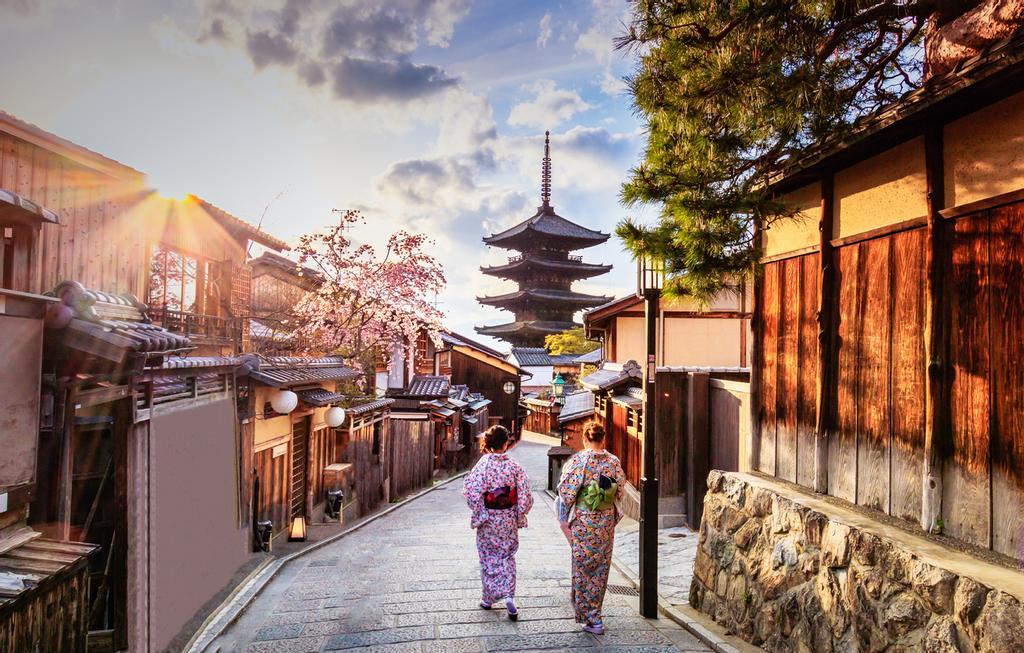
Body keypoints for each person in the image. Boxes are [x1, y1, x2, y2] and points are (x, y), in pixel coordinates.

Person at [556, 421, 625, 635]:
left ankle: (590, 617)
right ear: (603, 439)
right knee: (601, 567)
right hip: (604, 521)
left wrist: (564, 515)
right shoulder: (613, 461)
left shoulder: (579, 461)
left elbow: (565, 492)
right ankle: (596, 614)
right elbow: (620, 489)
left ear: (585, 439)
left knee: (583, 565)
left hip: (585, 521)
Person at [463, 425, 533, 620]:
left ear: (489, 444)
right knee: (507, 556)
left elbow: (472, 491)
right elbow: (525, 493)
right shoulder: (514, 466)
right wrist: (520, 512)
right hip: (508, 517)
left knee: (488, 556)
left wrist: (480, 510)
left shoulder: (483, 465)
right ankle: (509, 595)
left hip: (488, 518)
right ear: (505, 443)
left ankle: (488, 598)